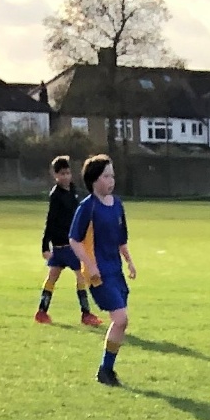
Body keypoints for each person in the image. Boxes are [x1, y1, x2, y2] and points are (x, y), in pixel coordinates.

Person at [69, 154, 136, 385]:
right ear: (94, 179)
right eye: (106, 176)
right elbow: (74, 240)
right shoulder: (87, 207)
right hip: (99, 274)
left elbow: (121, 239)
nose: (111, 180)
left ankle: (106, 370)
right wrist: (90, 265)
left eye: (113, 176)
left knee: (121, 322)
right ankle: (105, 370)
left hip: (115, 270)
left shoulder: (117, 204)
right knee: (120, 319)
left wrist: (129, 261)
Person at [36, 155, 99, 327]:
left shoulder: (74, 191)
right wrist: (45, 245)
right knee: (76, 277)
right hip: (64, 246)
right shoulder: (56, 196)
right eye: (62, 174)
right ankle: (85, 314)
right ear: (55, 175)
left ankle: (42, 312)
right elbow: (50, 220)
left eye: (68, 173)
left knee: (56, 276)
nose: (66, 177)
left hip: (69, 244)